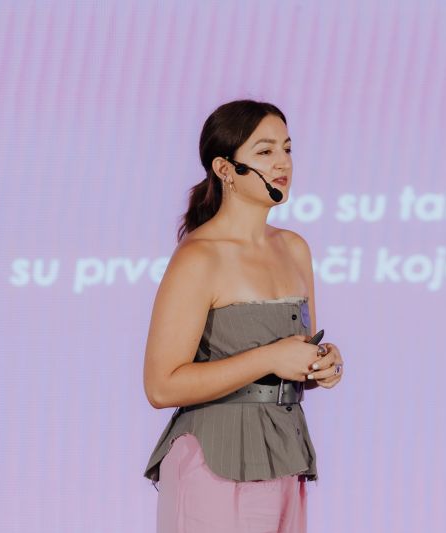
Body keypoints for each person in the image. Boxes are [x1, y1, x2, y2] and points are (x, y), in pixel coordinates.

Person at [142, 99, 345, 533]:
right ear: (225, 168)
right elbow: (161, 386)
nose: (282, 162)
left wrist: (321, 363)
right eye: (265, 151)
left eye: (287, 148)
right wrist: (270, 357)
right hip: (215, 462)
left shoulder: (294, 248)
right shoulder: (200, 256)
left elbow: (293, 357)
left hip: (284, 454)